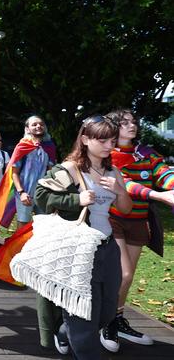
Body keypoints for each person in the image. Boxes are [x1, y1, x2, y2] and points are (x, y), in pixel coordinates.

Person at [34, 115, 132, 359]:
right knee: (83, 319)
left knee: (107, 312)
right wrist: (76, 200)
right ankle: (75, 333)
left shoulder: (113, 172)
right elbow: (41, 197)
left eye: (112, 140)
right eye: (103, 140)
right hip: (78, 251)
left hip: (107, 250)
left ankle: (65, 330)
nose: (110, 145)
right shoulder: (68, 169)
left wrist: (120, 191)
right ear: (86, 139)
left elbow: (126, 209)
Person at [99, 109, 174, 352]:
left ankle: (117, 318)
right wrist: (157, 195)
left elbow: (163, 172)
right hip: (114, 219)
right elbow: (124, 184)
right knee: (125, 273)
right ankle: (107, 321)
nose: (132, 126)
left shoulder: (146, 153)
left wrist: (171, 185)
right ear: (113, 127)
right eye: (125, 123)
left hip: (139, 222)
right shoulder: (108, 155)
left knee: (126, 277)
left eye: (134, 122)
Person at [0, 115, 57, 236]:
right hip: (25, 193)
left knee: (43, 226)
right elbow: (14, 173)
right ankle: (20, 252)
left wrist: (52, 191)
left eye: (41, 124)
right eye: (34, 124)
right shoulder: (22, 147)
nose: (38, 126)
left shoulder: (49, 147)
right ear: (27, 129)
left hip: (43, 194)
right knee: (23, 227)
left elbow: (51, 172)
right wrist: (21, 192)